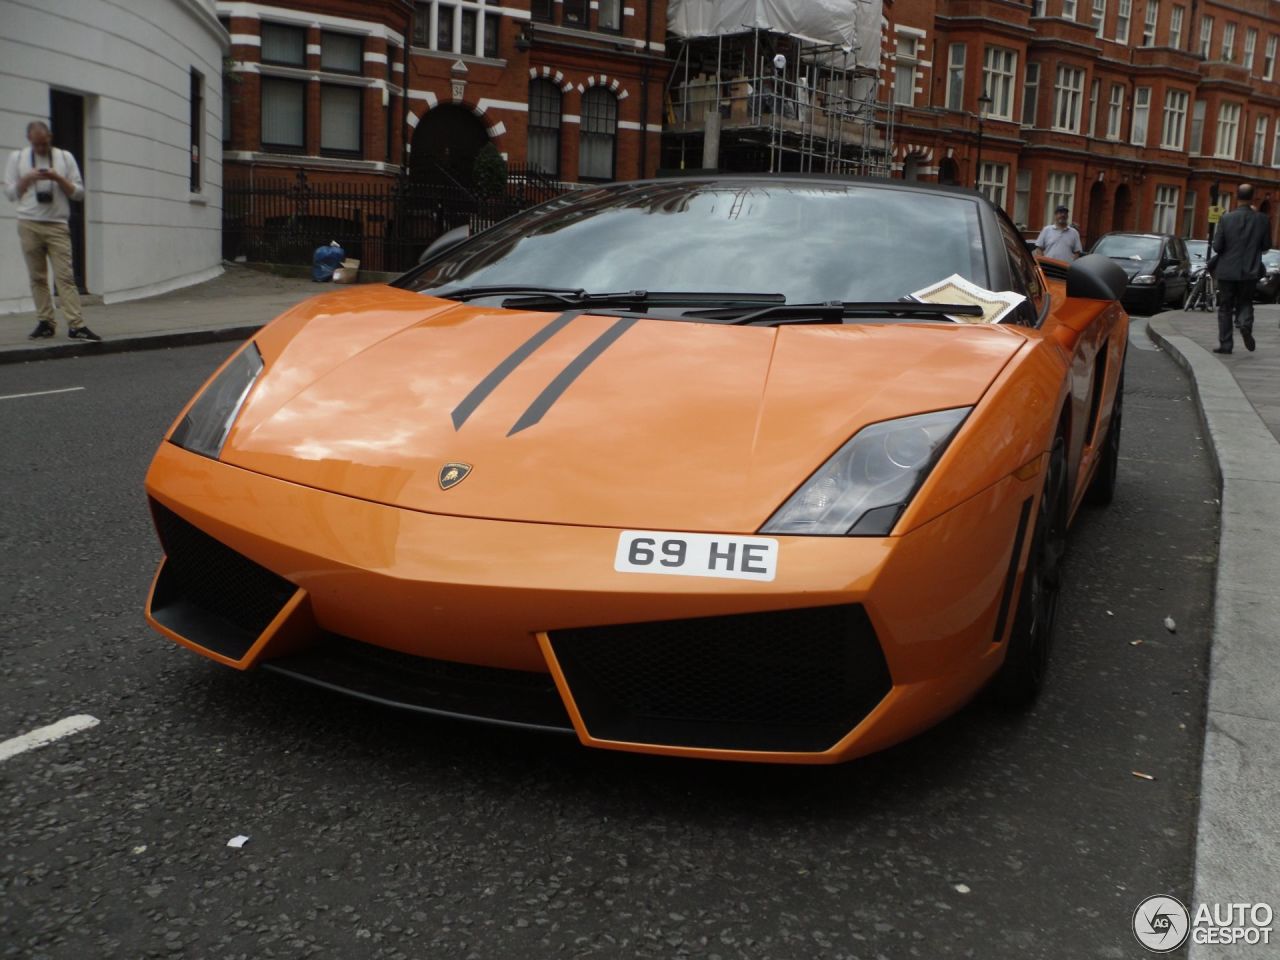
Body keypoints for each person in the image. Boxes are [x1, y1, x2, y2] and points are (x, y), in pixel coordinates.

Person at [3, 120, 100, 341]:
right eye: (36, 145)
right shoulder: (17, 158)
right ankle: (45, 322)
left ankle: (76, 325)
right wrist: (27, 178)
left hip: (57, 224)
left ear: (50, 138)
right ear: (30, 140)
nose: (40, 149)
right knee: (37, 277)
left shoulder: (64, 157)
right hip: (28, 223)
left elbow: (79, 193)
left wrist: (57, 178)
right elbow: (9, 193)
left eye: (44, 144)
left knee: (65, 276)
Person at [1210, 182, 1271, 354]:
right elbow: (1267, 245)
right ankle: (1244, 324)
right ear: (1253, 197)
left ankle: (1226, 344)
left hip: (1227, 270)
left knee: (1225, 307)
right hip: (1250, 270)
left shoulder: (1226, 218)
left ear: (1237, 196)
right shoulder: (1263, 220)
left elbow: (1217, 247)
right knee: (1245, 302)